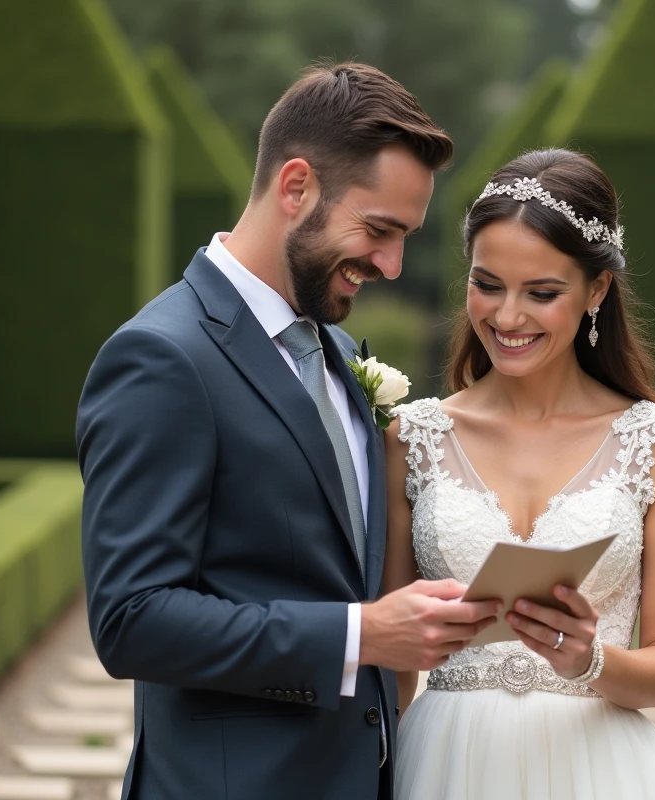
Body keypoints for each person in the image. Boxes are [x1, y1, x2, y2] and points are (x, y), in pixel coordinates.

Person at [77, 62, 500, 800]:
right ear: (296, 186)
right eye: (378, 230)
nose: (392, 265)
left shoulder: (340, 353)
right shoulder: (162, 357)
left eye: (405, 238)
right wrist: (360, 635)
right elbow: (131, 619)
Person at [385, 148, 655, 799]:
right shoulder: (411, 438)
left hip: (603, 770)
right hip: (445, 765)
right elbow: (392, 666)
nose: (506, 318)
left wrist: (589, 660)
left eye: (542, 293)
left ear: (597, 290)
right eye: (487, 283)